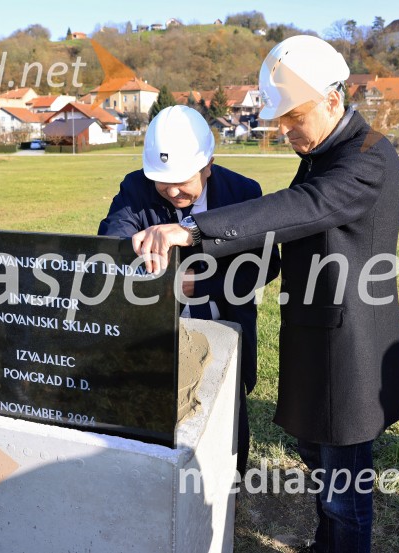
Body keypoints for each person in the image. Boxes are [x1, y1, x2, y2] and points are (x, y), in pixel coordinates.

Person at [131, 36, 399, 553]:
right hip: (317, 337)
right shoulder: (324, 149)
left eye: (293, 117)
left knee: (344, 492)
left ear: (333, 99)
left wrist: (191, 230)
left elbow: (300, 207)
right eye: (279, 120)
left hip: (350, 349)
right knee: (322, 468)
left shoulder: (367, 156)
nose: (284, 131)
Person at [98, 105, 280, 478]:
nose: (173, 190)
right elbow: (112, 240)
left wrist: (203, 283)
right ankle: (159, 479)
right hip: (158, 329)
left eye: (182, 180)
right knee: (156, 403)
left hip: (225, 321)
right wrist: (152, 271)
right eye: (162, 181)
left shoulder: (243, 192)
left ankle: (230, 484)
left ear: (208, 165)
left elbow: (266, 265)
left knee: (227, 409)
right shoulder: (136, 188)